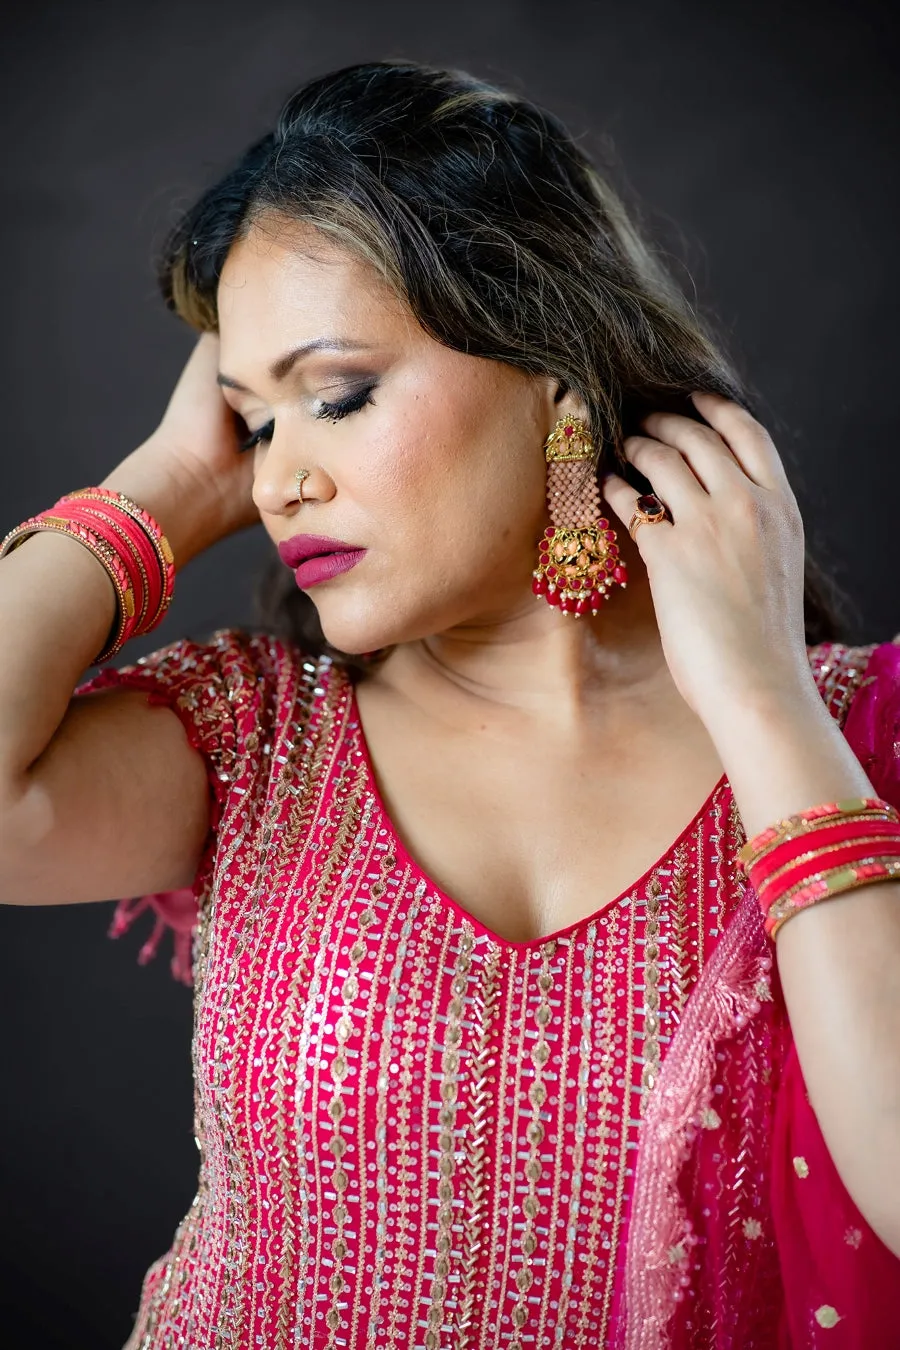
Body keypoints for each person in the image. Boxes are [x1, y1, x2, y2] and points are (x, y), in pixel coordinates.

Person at [1, 58, 899, 1350]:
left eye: (339, 393)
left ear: (555, 377)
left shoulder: (854, 739)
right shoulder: (259, 739)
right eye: (252, 428)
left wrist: (761, 701)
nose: (278, 483)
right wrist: (155, 486)